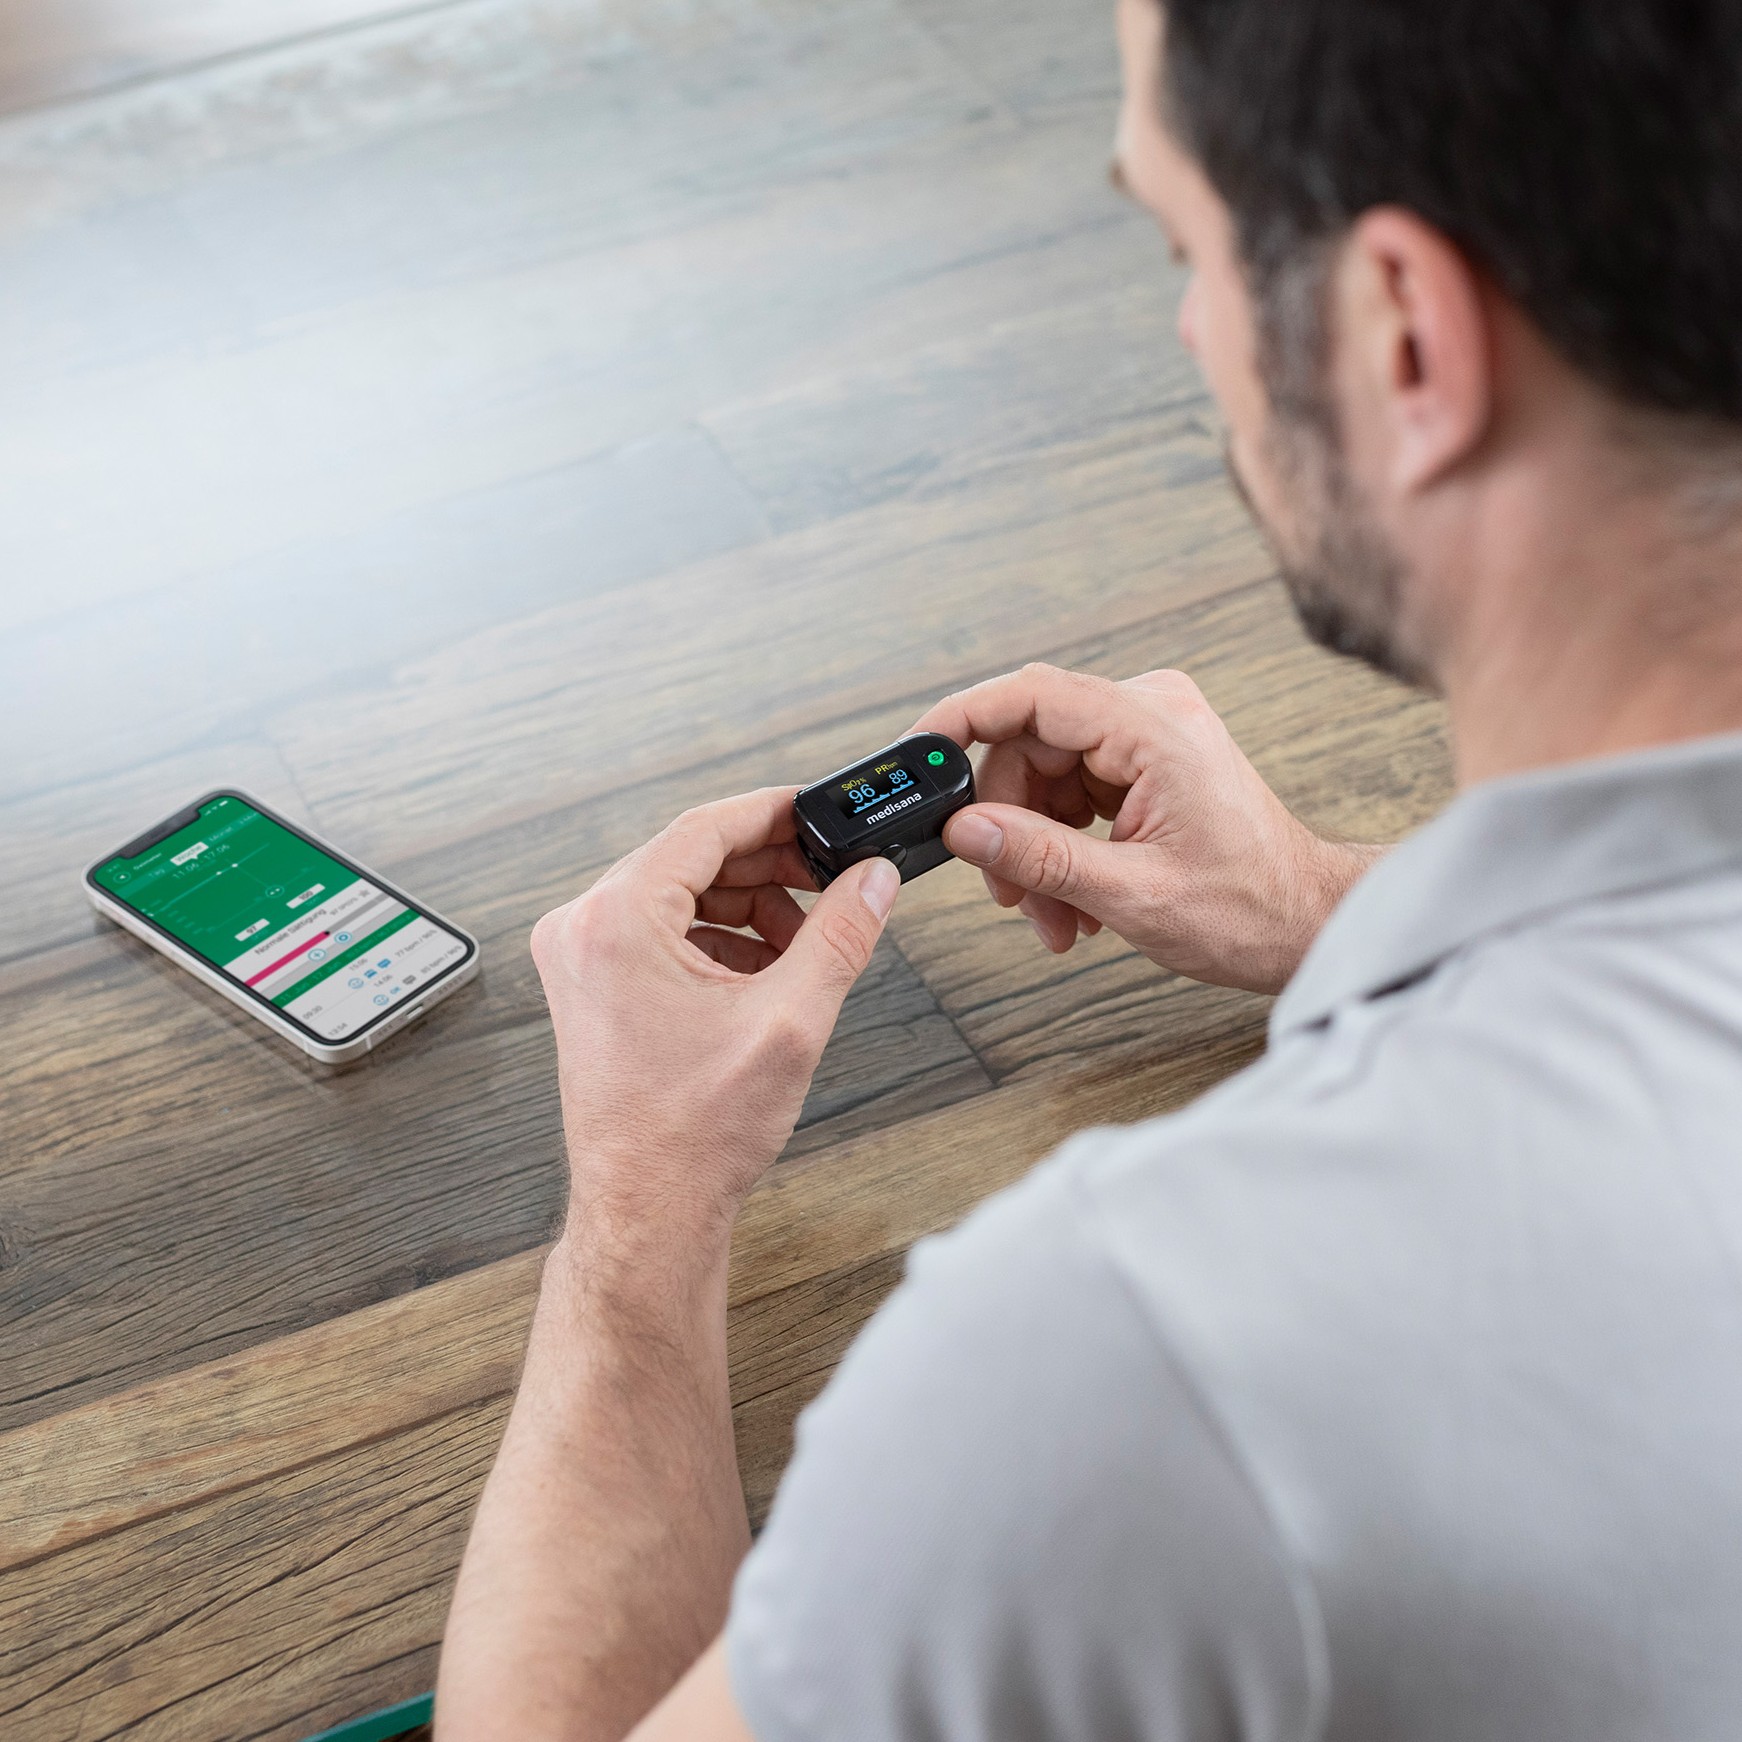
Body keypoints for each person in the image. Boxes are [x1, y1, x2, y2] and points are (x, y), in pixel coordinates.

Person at [435, 0, 1742, 1735]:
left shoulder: (1138, 1366)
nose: (1191, 326)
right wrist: (1327, 910)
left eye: (1182, 243)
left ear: (1402, 338)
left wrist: (640, 1212)